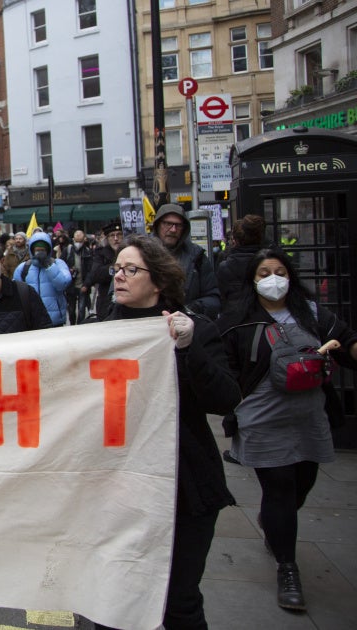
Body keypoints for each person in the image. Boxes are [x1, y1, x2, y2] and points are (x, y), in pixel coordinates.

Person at [99, 234, 240, 630]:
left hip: (184, 486)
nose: (119, 277)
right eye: (117, 269)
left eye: (131, 269)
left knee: (179, 602)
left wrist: (188, 348)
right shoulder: (98, 334)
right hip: (118, 489)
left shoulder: (194, 330)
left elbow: (226, 398)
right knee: (112, 602)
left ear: (158, 281)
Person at [218, 248, 357, 611]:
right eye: (264, 272)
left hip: (308, 417)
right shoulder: (237, 319)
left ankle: (275, 524)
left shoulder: (312, 315)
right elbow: (225, 368)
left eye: (279, 271)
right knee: (278, 487)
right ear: (253, 280)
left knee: (300, 486)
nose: (273, 279)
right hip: (263, 419)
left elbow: (346, 343)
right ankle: (287, 567)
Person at [151, 204, 221, 318]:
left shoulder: (197, 256)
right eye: (168, 224)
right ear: (158, 225)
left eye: (178, 225)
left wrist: (193, 309)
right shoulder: (140, 254)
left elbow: (213, 298)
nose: (173, 230)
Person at [13, 232, 72, 327]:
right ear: (32, 250)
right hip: (32, 320)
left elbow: (62, 284)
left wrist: (48, 266)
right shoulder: (23, 268)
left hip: (54, 320)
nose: (40, 253)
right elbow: (16, 293)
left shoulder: (58, 264)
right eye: (37, 250)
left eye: (42, 250)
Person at [216, 214, 266, 308]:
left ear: (235, 240)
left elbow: (222, 296)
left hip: (234, 316)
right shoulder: (270, 261)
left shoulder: (225, 265)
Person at [86, 222, 124, 320]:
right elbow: (95, 274)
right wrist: (113, 268)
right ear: (107, 238)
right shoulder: (101, 253)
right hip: (106, 302)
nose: (116, 238)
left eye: (119, 234)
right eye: (112, 235)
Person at [62, 229, 94, 324]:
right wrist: (68, 270)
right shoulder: (67, 250)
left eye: (80, 241)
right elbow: (61, 265)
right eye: (76, 241)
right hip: (71, 286)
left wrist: (86, 284)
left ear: (84, 240)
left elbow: (90, 270)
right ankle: (72, 324)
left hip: (82, 286)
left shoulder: (87, 252)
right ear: (73, 240)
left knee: (81, 309)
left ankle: (80, 325)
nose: (78, 244)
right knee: (71, 310)